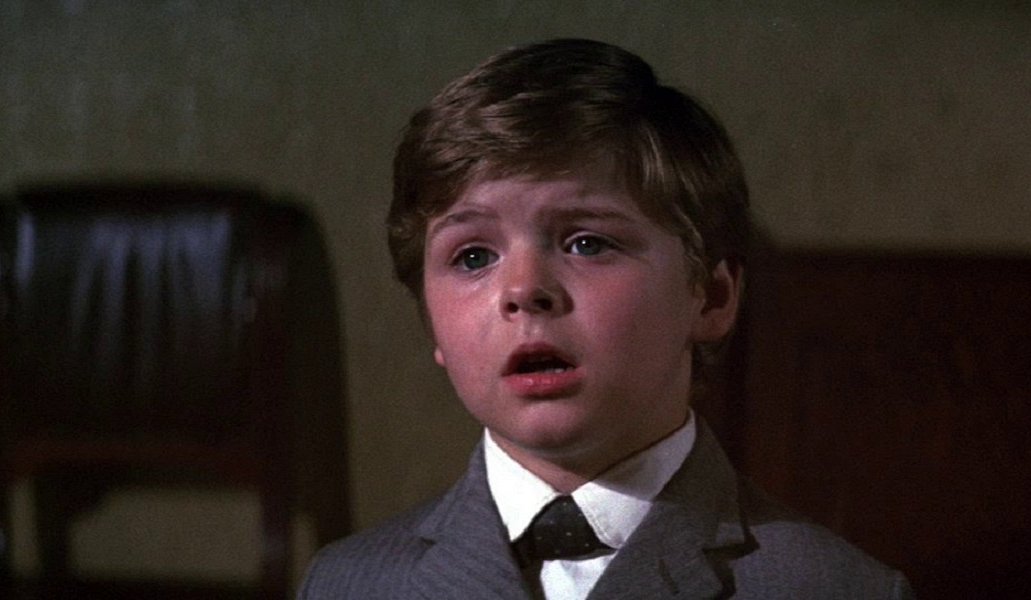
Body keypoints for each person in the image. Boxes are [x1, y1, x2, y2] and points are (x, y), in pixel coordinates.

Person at [298, 38, 914, 599]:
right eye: (474, 257)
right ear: (431, 322)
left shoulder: (834, 589)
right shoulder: (347, 585)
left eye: (587, 243)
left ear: (711, 296)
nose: (524, 290)